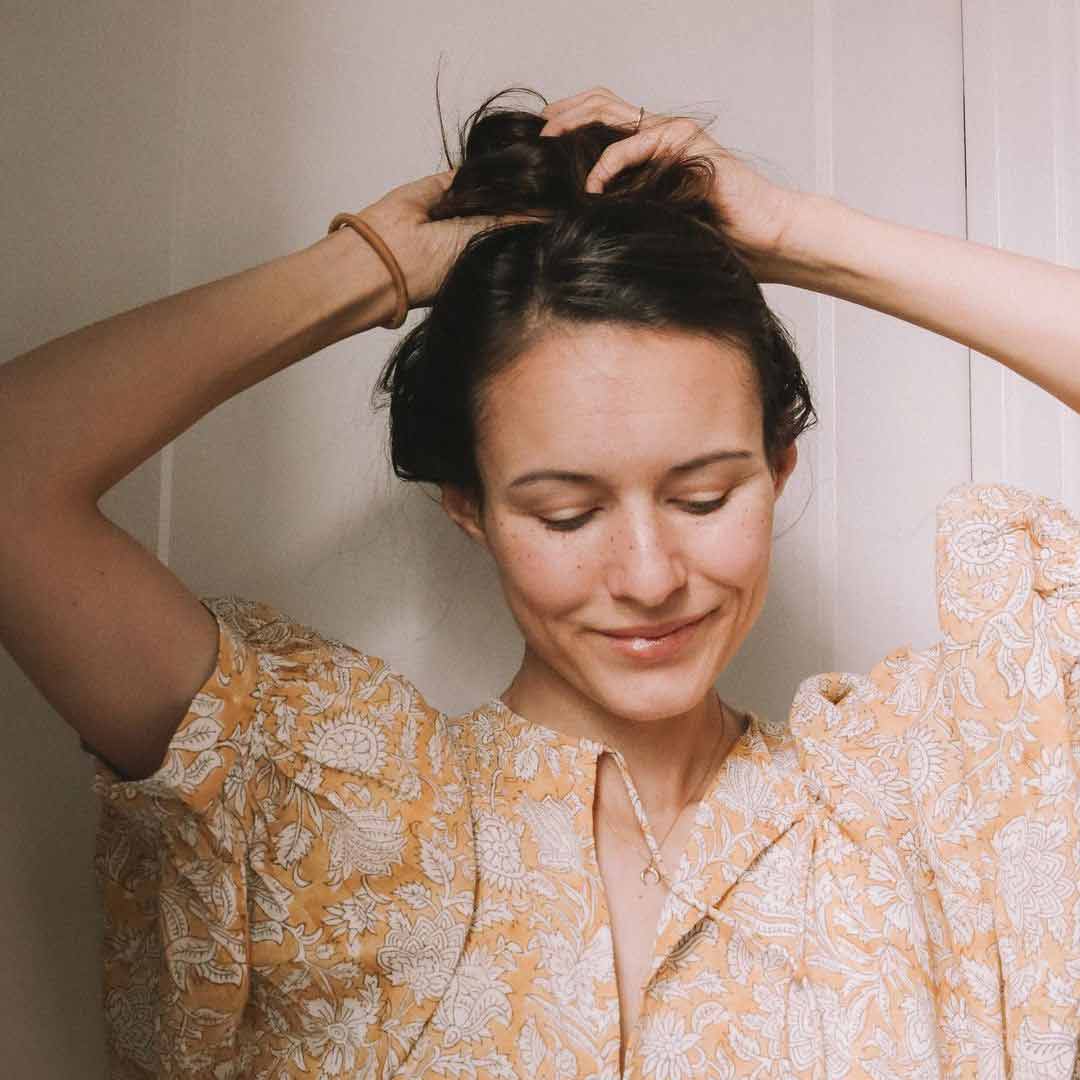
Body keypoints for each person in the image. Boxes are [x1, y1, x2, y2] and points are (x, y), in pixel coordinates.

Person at [2, 85, 1078, 1078]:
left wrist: (804, 238)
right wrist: (372, 268)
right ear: (468, 507)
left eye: (704, 496)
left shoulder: (933, 806)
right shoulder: (321, 820)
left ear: (777, 469)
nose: (650, 575)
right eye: (566, 513)